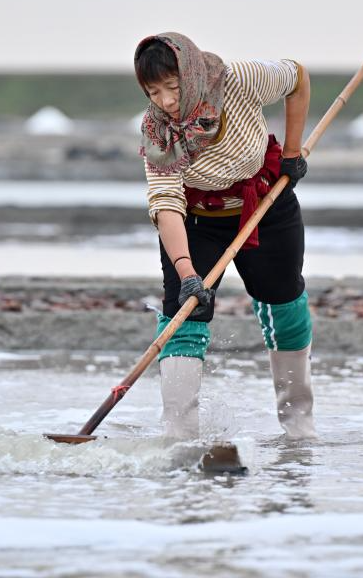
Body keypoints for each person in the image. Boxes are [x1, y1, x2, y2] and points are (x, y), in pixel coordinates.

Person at [133, 32, 316, 440]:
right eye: (153, 91)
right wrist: (186, 273)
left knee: (284, 302)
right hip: (196, 219)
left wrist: (293, 150)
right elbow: (166, 203)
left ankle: (299, 425)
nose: (165, 101)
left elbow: (297, 77)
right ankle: (179, 434)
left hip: (265, 202)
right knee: (185, 312)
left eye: (173, 87)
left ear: (193, 75)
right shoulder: (157, 130)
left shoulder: (239, 80)